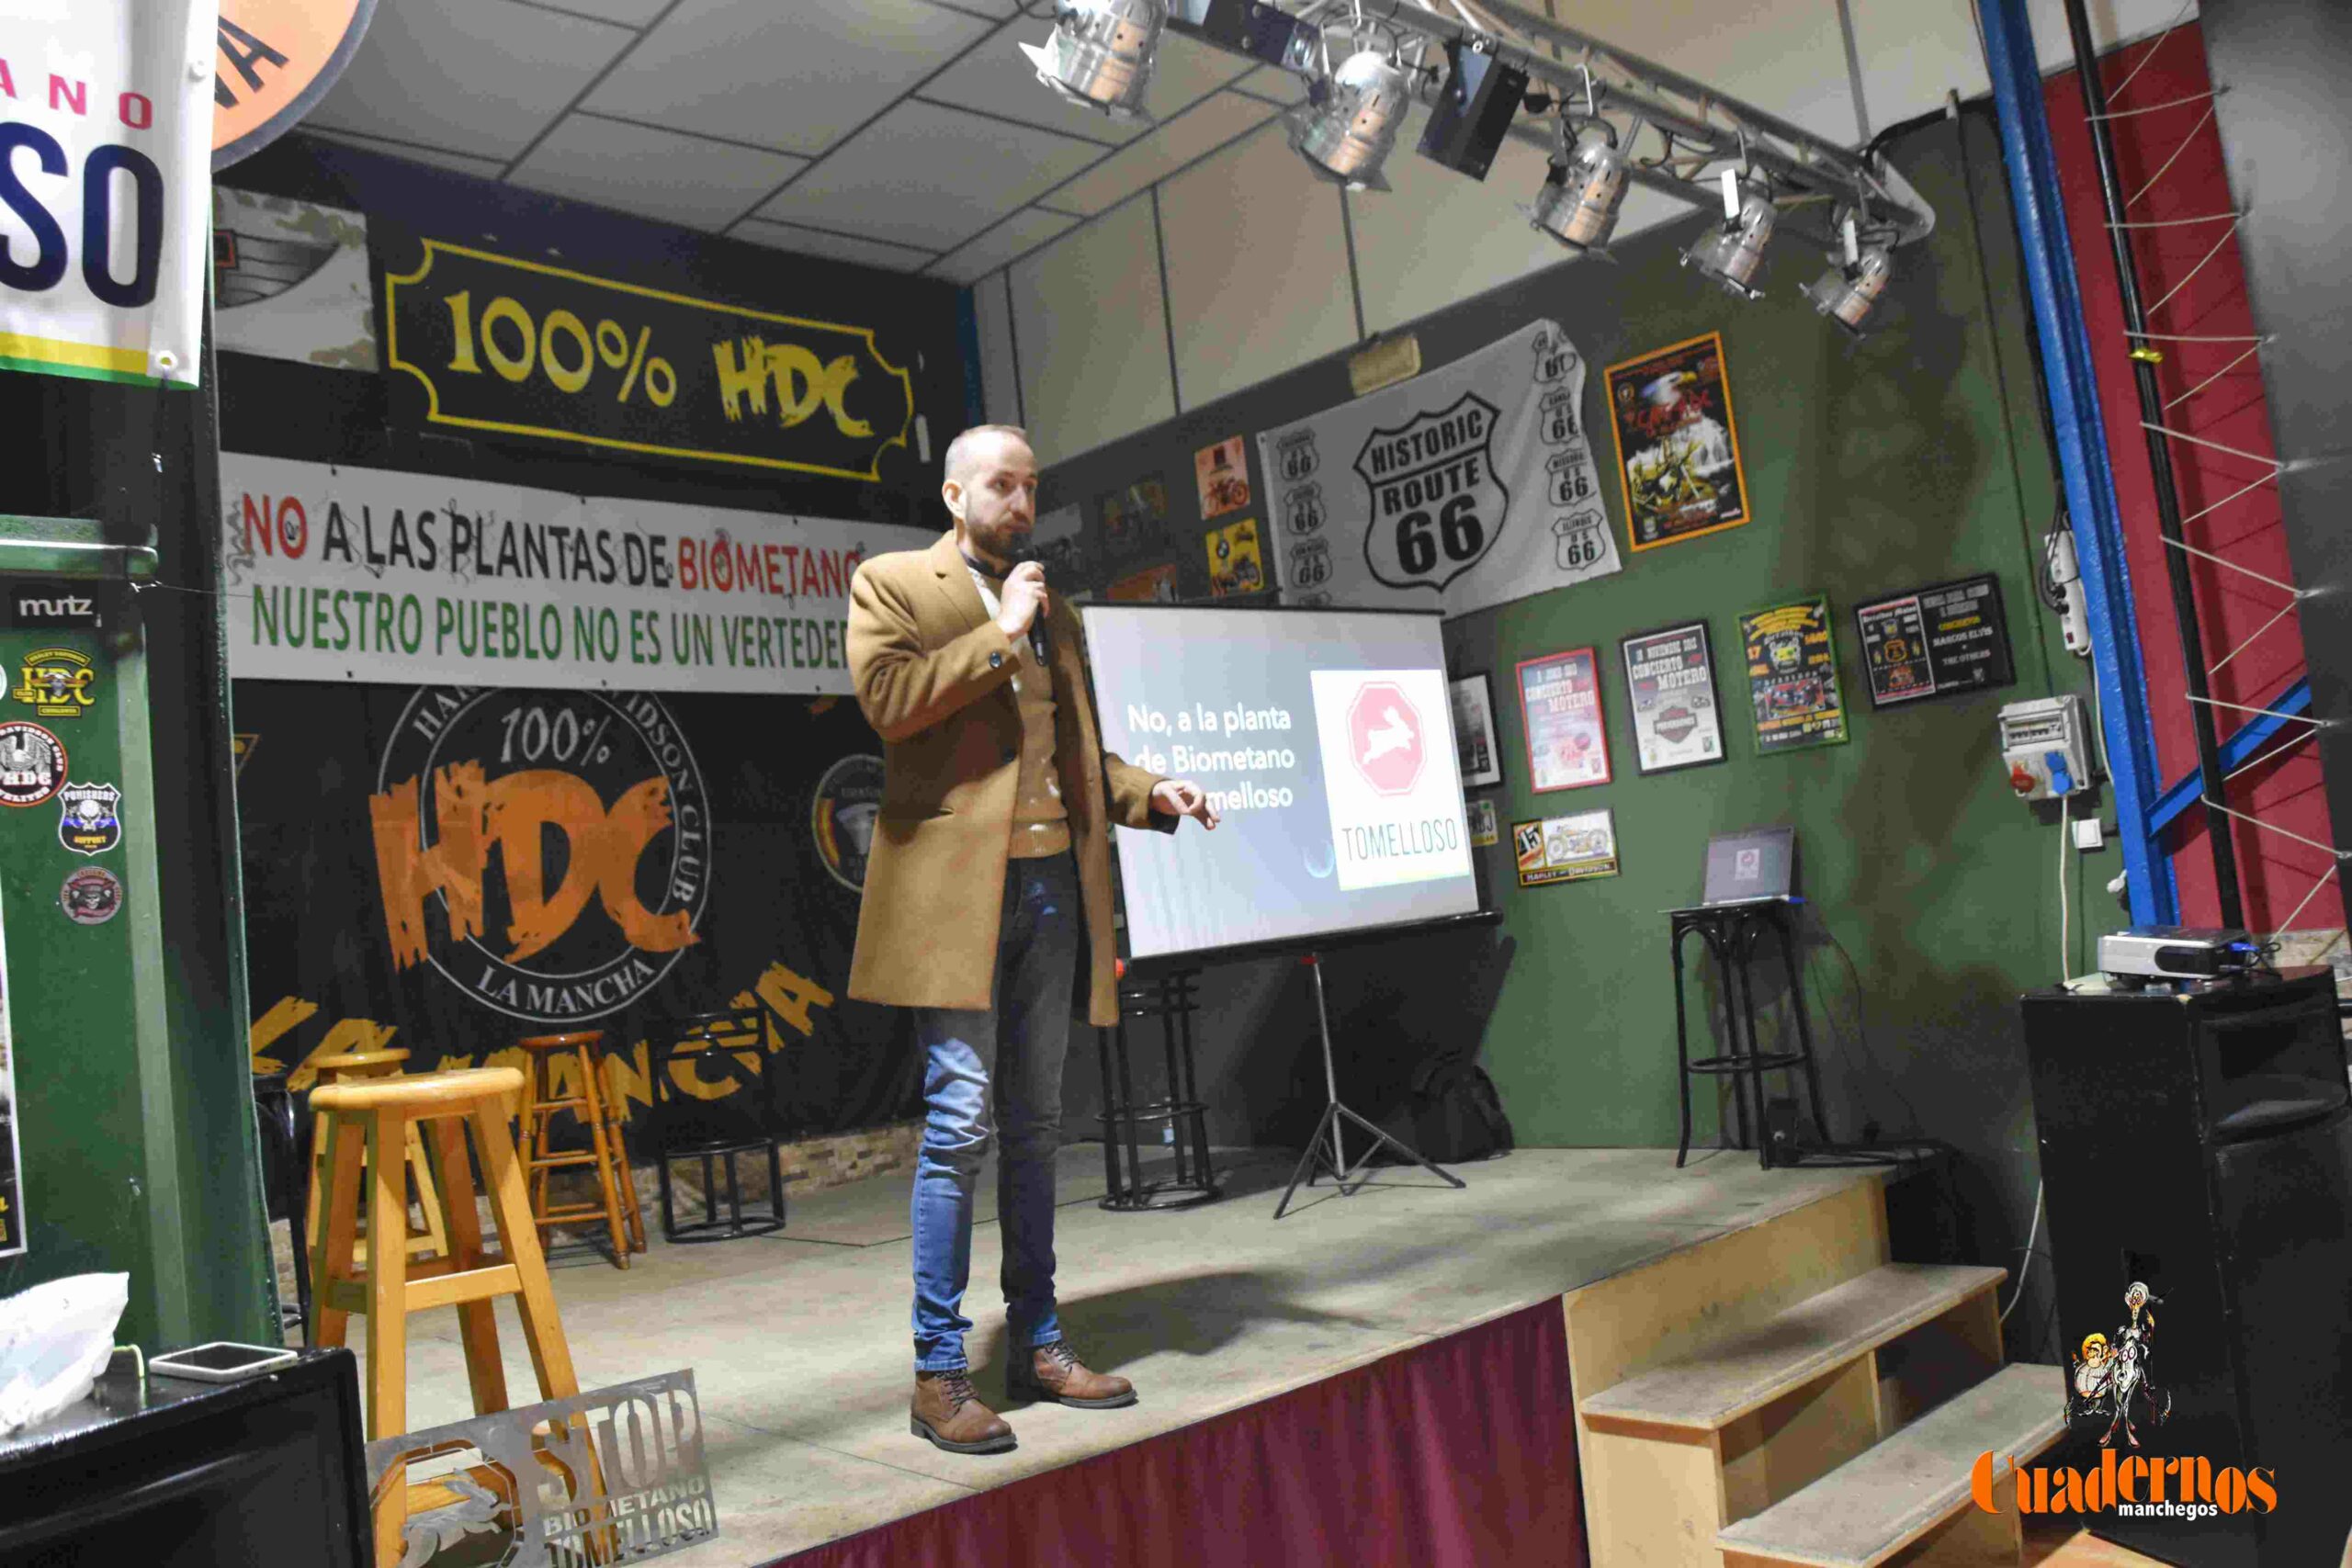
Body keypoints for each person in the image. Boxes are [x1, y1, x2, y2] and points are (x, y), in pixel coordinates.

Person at [845, 423, 1219, 1455]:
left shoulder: (1059, 608)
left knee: (1038, 1125)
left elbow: (1074, 751)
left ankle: (1039, 1343)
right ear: (954, 495)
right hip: (955, 900)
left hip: (1053, 889)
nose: (1021, 503)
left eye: (1030, 486)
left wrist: (1151, 792)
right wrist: (999, 630)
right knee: (960, 1123)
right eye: (1001, 486)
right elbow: (888, 703)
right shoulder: (894, 583)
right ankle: (938, 1371)